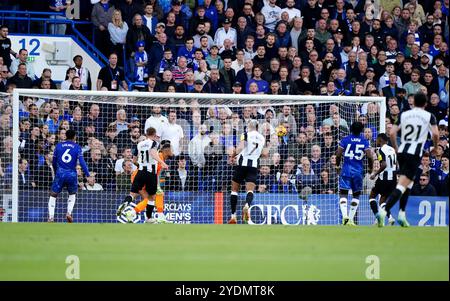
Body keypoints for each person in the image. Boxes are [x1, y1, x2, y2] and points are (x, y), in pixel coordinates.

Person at [378, 93, 440, 227]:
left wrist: (395, 147)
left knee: (409, 183)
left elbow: (392, 133)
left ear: (413, 102)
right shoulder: (429, 116)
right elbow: (435, 134)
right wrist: (435, 147)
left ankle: (401, 214)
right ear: (425, 103)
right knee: (402, 185)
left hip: (402, 152)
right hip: (414, 154)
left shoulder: (404, 114)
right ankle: (384, 211)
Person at [116, 127, 168, 222]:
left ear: (146, 133)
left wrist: (140, 165)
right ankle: (148, 218)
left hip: (139, 172)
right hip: (150, 173)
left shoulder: (139, 144)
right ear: (154, 134)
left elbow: (134, 160)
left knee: (132, 194)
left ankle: (124, 204)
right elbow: (152, 154)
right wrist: (162, 162)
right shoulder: (154, 144)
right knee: (152, 197)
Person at [228, 120, 267, 224]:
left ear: (249, 126)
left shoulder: (245, 134)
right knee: (250, 191)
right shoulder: (262, 138)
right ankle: (247, 205)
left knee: (234, 190)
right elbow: (264, 153)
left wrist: (232, 156)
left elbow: (241, 147)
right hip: (253, 166)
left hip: (242, 165)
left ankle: (233, 216)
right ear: (257, 127)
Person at [335, 121, 374, 226]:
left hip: (346, 169)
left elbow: (338, 154)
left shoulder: (345, 140)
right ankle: (351, 219)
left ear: (351, 129)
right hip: (358, 171)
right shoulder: (364, 141)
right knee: (356, 195)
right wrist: (371, 168)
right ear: (361, 130)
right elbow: (370, 156)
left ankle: (345, 217)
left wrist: (337, 166)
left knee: (343, 193)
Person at [48, 129, 90, 223]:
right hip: (71, 174)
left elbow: (54, 162)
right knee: (72, 194)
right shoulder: (77, 147)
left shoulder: (58, 146)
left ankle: (51, 217)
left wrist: (56, 171)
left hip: (60, 173)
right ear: (75, 137)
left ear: (65, 136)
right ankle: (69, 213)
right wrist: (87, 174)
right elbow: (82, 162)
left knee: (53, 195)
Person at [132, 140, 173, 223]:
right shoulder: (159, 157)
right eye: (172, 150)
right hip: (142, 176)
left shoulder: (161, 157)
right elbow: (154, 173)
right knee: (155, 195)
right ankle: (133, 212)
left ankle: (132, 212)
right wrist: (157, 186)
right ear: (167, 151)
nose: (173, 152)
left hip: (142, 175)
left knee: (155, 196)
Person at [368, 133, 398, 226]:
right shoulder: (392, 149)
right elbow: (396, 163)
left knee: (372, 196)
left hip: (384, 178)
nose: (376, 141)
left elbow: (384, 165)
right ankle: (389, 218)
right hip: (393, 178)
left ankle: (378, 217)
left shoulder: (381, 150)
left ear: (380, 140)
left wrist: (375, 174)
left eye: (377, 140)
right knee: (382, 201)